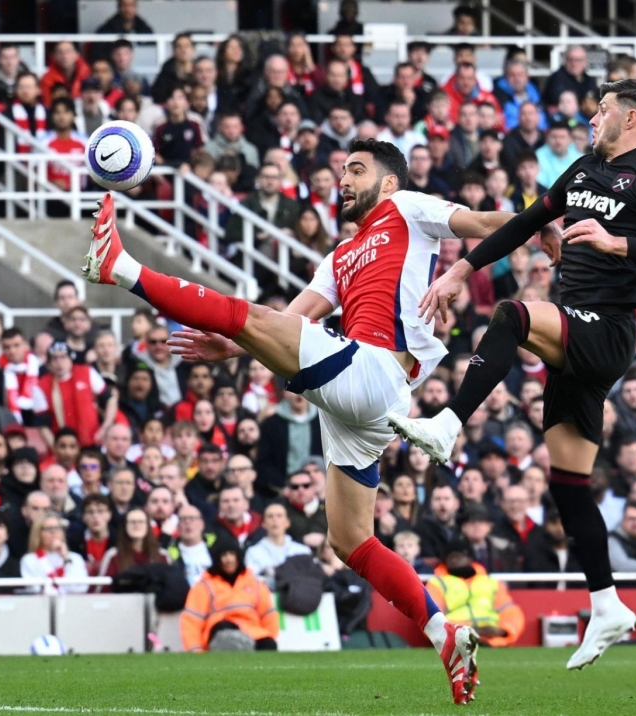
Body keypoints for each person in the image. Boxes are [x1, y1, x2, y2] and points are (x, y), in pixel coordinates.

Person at [84, 139, 511, 701]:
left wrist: (543, 223)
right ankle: (443, 630)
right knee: (350, 540)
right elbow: (290, 321)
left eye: (356, 169)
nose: (344, 179)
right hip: (360, 394)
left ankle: (120, 268)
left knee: (250, 316)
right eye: (341, 170)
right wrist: (237, 346)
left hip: (378, 372)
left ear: (388, 182)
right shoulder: (339, 256)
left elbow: (484, 220)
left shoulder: (407, 207)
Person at [389, 79, 636, 669]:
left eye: (603, 110)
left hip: (606, 329)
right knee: (568, 483)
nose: (593, 118)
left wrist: (616, 243)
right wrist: (460, 272)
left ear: (631, 119)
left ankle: (449, 423)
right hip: (578, 335)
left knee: (513, 314)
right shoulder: (583, 169)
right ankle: (607, 604)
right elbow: (528, 221)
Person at [180, 533, 278, 653]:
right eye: (224, 555)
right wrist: (195, 650)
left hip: (253, 631)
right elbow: (192, 621)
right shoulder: (204, 586)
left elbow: (269, 616)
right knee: (225, 633)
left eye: (232, 554)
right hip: (220, 630)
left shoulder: (255, 583)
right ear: (217, 559)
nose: (229, 559)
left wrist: (270, 637)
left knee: (268, 645)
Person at [425, 537, 524, 647]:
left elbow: (510, 612)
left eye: (459, 556)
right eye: (450, 557)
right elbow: (431, 619)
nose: (454, 560)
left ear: (469, 558)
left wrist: (504, 630)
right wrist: (469, 630)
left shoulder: (491, 583)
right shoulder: (437, 584)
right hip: (456, 643)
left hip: (491, 640)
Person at [244, 503, 312, 589]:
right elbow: (251, 580)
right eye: (270, 516)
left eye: (279, 516)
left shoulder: (303, 551)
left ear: (287, 523)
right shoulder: (253, 552)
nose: (274, 520)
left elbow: (311, 577)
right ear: (263, 524)